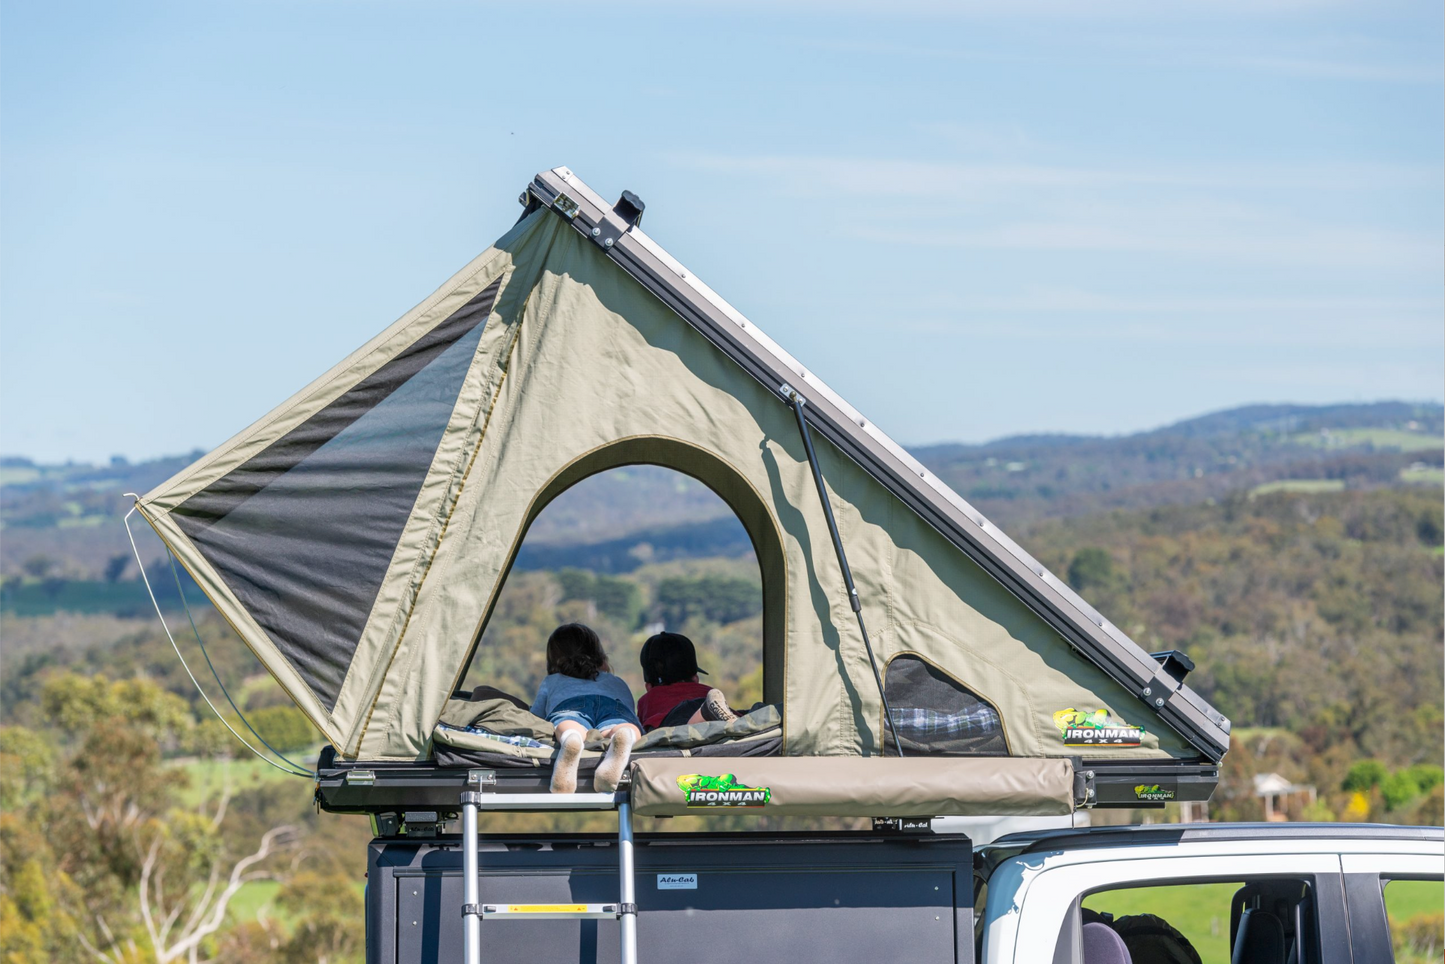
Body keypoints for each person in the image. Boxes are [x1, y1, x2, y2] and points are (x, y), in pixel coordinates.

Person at [530, 623, 642, 794]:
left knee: (568, 723)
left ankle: (571, 739)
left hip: (571, 704)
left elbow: (535, 718)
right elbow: (628, 708)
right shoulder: (616, 681)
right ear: (599, 656)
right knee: (620, 725)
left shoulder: (552, 681)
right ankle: (623, 735)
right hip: (613, 704)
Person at [636, 631, 740, 731]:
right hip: (702, 703)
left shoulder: (647, 701)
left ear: (648, 687)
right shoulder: (707, 691)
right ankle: (704, 712)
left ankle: (705, 712)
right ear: (695, 678)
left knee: (676, 733)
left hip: (672, 720)